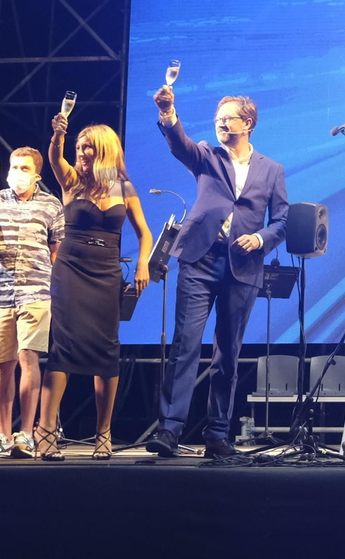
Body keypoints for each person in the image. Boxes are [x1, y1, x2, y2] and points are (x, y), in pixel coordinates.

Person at [147, 87, 287, 459]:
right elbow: (180, 145)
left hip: (242, 267)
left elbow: (283, 220)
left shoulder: (272, 169)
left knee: (228, 353)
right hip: (199, 258)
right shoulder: (208, 155)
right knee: (185, 345)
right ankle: (169, 430)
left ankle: (217, 433)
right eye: (218, 119)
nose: (222, 124)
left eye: (229, 118)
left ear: (249, 123)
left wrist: (260, 239)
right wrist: (168, 114)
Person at [34, 121, 152, 460]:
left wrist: (143, 263)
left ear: (105, 149)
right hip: (71, 269)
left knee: (106, 349)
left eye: (89, 146)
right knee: (64, 346)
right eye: (80, 146)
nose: (82, 152)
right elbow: (54, 158)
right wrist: (57, 134)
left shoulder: (124, 186)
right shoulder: (71, 181)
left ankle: (104, 432)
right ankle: (45, 430)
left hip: (107, 272)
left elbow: (144, 233)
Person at [0, 146, 65, 458]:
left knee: (29, 359)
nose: (17, 173)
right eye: (14, 167)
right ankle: (3, 433)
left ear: (37, 174)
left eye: (24, 168)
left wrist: (48, 278)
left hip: (36, 292)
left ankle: (27, 433)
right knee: (3, 365)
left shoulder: (52, 205)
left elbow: (57, 248)